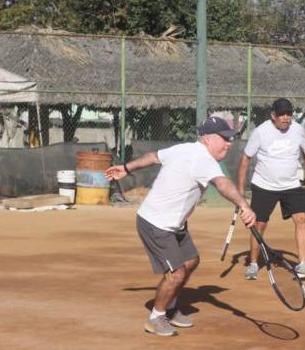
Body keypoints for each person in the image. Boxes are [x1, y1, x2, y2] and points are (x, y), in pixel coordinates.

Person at [105, 117, 256, 337]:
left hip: (175, 224)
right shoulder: (204, 159)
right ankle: (156, 318)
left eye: (230, 138)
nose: (229, 143)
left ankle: (171, 306)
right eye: (225, 138)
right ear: (208, 139)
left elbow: (153, 157)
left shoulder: (183, 149)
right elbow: (222, 184)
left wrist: (126, 168)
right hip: (156, 223)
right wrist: (244, 205)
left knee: (191, 260)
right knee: (176, 273)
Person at [237, 98, 305, 280]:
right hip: (264, 186)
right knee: (259, 225)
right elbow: (245, 159)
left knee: (301, 219)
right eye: (282, 114)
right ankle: (252, 264)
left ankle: (303, 264)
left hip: (291, 185)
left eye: (289, 114)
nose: (286, 118)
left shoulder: (297, 130)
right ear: (273, 115)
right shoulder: (261, 132)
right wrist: (240, 192)